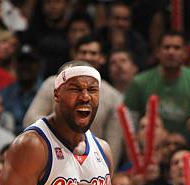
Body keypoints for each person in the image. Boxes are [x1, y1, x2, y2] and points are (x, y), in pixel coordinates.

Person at [23, 35, 123, 168]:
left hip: (90, 160)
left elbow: (114, 140)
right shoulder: (53, 83)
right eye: (83, 52)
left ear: (102, 58)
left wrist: (107, 167)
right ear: (74, 54)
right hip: (50, 154)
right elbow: (30, 119)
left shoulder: (114, 96)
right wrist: (63, 139)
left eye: (93, 53)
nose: (88, 56)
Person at [125, 31, 190, 154]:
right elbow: (129, 128)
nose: (171, 52)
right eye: (166, 47)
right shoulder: (139, 83)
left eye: (177, 48)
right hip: (148, 152)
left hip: (188, 152)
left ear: (185, 53)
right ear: (157, 52)